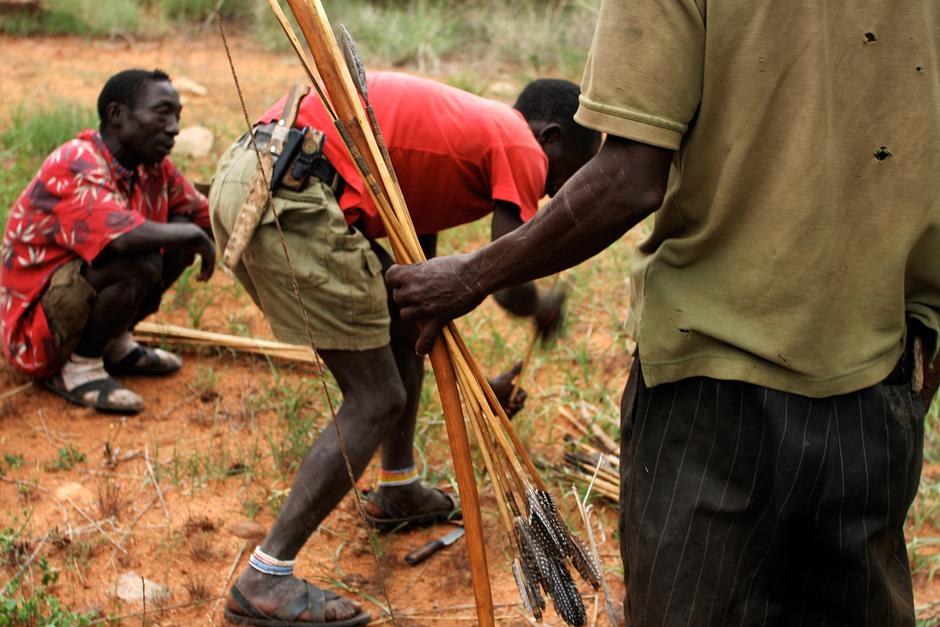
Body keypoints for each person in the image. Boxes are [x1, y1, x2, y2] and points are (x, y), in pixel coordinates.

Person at [387, 3, 940, 626]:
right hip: (879, 375)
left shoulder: (508, 141)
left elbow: (628, 179)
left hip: (711, 394)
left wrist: (469, 276)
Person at [210, 72, 600, 625]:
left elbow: (418, 298)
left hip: (256, 170)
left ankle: (398, 489)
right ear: (553, 137)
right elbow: (510, 284)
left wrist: (477, 390)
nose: (554, 191)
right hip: (289, 189)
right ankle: (264, 578)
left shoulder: (462, 138)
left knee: (402, 331)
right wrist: (541, 307)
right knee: (375, 398)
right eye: (566, 176)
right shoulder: (518, 141)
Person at [0, 69, 215, 414]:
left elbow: (203, 214)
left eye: (177, 117)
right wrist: (193, 234)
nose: (174, 128)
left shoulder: (153, 167)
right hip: (34, 332)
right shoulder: (76, 161)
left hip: (74, 300)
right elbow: (122, 238)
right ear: (117, 115)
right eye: (162, 114)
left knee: (179, 231)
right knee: (141, 256)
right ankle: (77, 368)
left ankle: (114, 344)